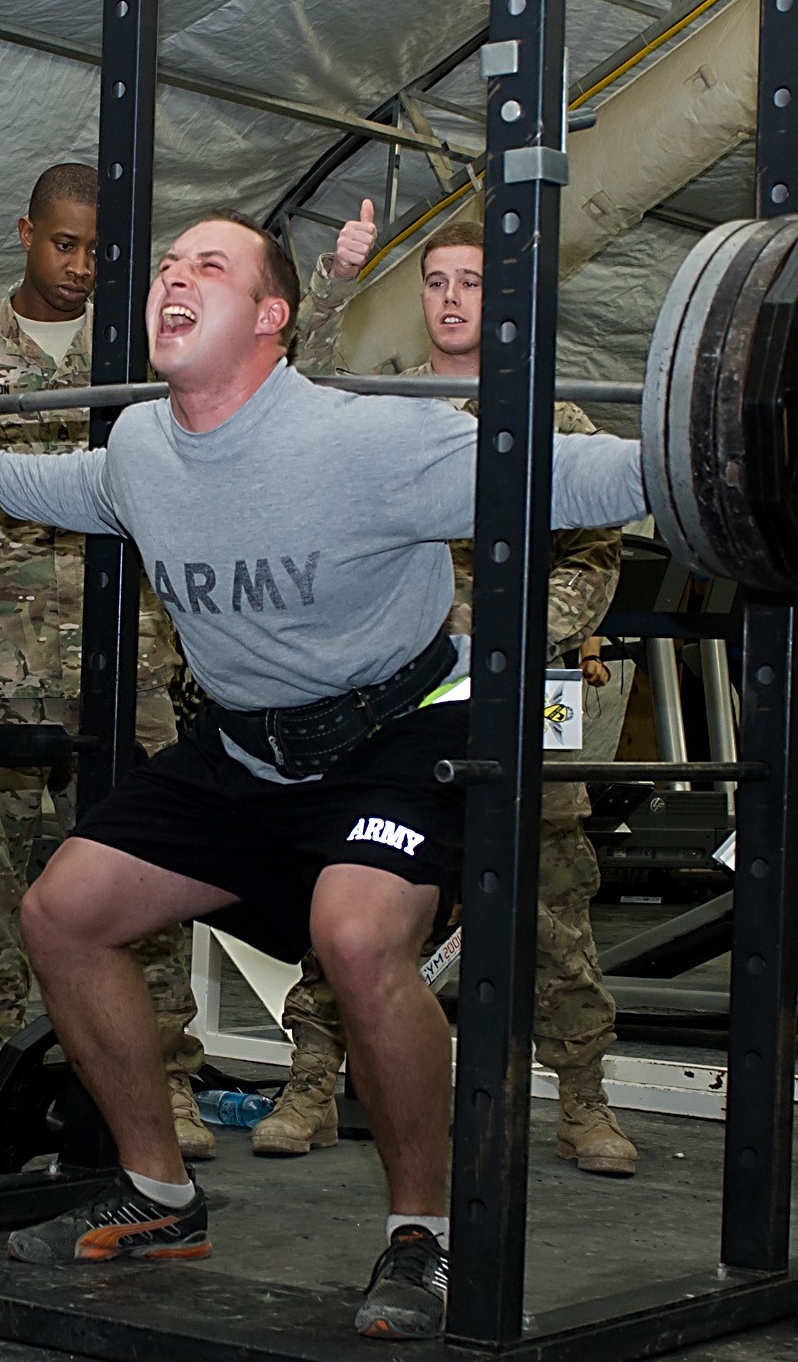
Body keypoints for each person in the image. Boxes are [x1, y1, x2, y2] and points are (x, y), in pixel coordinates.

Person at [0, 210, 647, 1340]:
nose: (174, 277)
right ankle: (162, 1193)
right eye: (170, 264)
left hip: (397, 729)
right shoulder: (143, 442)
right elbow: (73, 490)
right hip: (241, 744)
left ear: (274, 317)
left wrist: (716, 453)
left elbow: (565, 476)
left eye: (211, 266)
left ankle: (422, 1231)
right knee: (63, 912)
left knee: (355, 934)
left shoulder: (364, 439)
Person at [255, 217, 637, 1180]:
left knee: (553, 892)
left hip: (513, 691)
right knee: (360, 885)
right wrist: (335, 280)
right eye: (437, 281)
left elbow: (596, 549)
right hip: (399, 690)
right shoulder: (381, 405)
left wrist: (511, 632)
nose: (455, 298)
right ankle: (311, 1075)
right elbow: (283, 395)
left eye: (474, 281)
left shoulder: (555, 416)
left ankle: (583, 1096)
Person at [0, 164, 207, 1154]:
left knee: (146, 870)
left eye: (102, 248)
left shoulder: (148, 353)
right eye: (64, 242)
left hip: (126, 651)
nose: (81, 264)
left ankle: (165, 1081)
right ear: (25, 233)